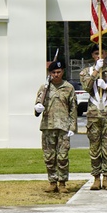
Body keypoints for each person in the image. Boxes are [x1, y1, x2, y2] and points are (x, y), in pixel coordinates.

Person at [79, 49, 107, 191]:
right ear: (93, 56)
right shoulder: (86, 71)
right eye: (96, 53)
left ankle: (106, 178)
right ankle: (96, 178)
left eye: (101, 53)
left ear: (105, 54)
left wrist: (106, 88)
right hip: (93, 115)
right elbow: (86, 87)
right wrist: (95, 72)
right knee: (94, 147)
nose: (99, 56)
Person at [34, 59, 77, 193]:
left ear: (62, 72)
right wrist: (38, 108)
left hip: (63, 127)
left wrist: (73, 127)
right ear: (50, 73)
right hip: (48, 126)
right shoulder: (44, 88)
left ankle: (62, 183)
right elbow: (37, 107)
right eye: (53, 72)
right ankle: (52, 182)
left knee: (62, 156)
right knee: (49, 156)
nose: (56, 74)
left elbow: (73, 109)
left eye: (58, 72)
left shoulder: (68, 88)